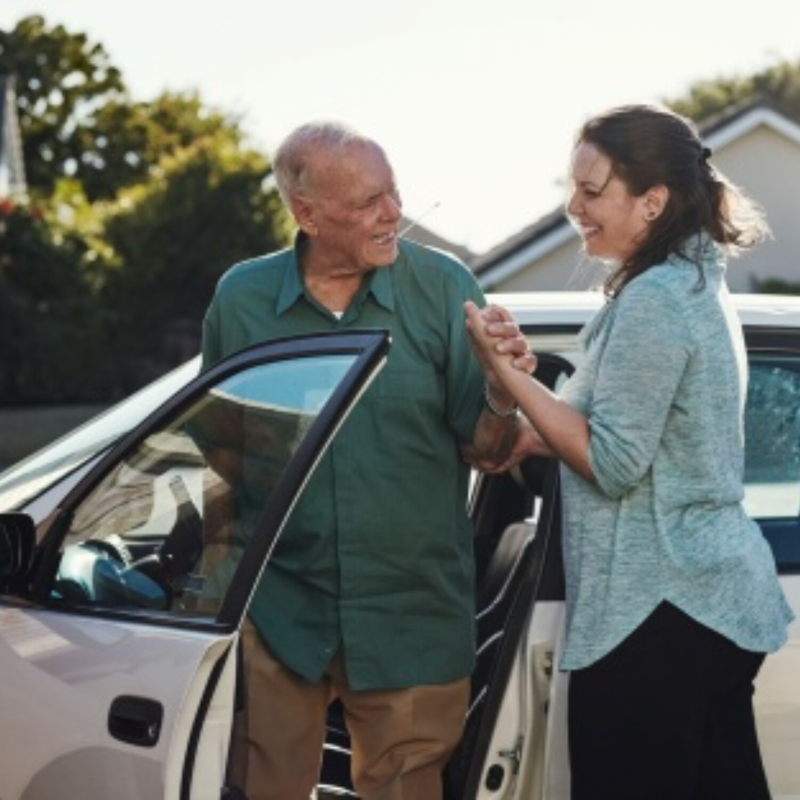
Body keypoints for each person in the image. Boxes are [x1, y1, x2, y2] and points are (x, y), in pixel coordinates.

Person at [464, 103, 795, 800]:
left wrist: (512, 377)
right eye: (572, 188)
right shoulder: (684, 284)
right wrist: (526, 423)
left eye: (591, 192)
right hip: (704, 604)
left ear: (653, 202)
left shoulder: (659, 299)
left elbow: (613, 463)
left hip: (662, 608)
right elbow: (624, 434)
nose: (572, 208)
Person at [200, 121, 530, 800]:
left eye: (395, 193)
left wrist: (501, 393)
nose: (394, 214)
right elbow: (218, 453)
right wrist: (218, 589)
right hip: (281, 613)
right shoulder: (242, 299)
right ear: (307, 214)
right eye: (369, 202)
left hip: (411, 613)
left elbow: (489, 452)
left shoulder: (443, 288)